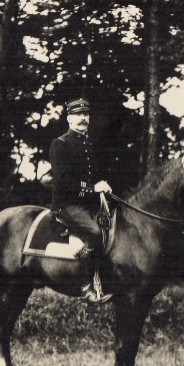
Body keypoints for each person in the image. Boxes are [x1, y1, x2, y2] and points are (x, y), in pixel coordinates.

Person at [49, 97, 113, 304]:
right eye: (78, 115)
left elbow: (95, 176)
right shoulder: (60, 144)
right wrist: (93, 188)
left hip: (89, 204)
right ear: (69, 118)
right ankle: (86, 287)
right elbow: (63, 182)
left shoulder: (89, 145)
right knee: (94, 232)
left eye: (85, 114)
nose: (83, 118)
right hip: (67, 205)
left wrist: (103, 185)